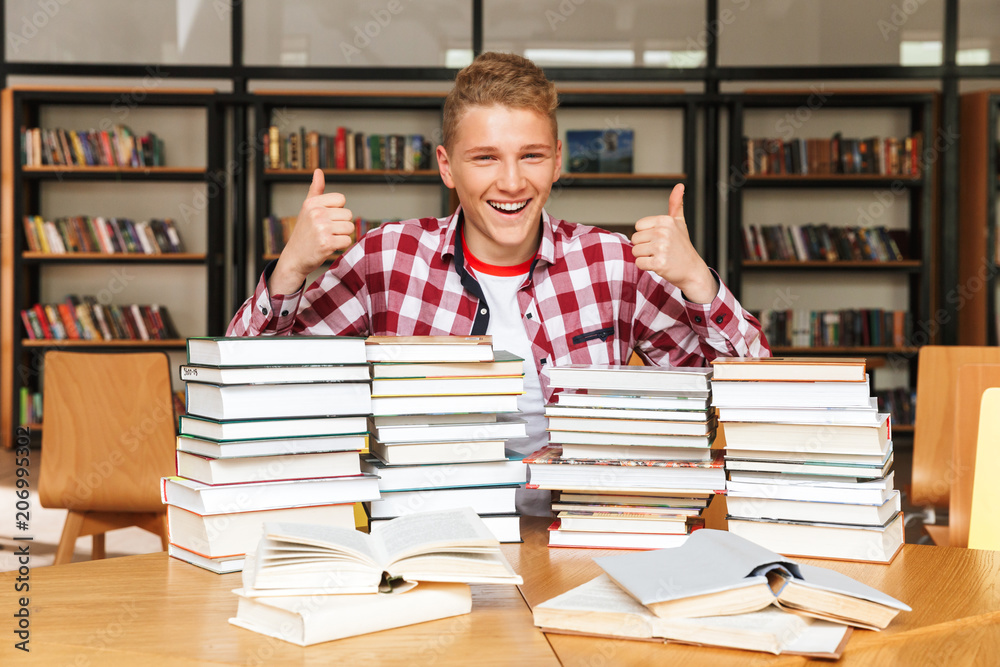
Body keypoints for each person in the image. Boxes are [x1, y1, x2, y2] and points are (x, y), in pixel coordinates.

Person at [229, 52, 770, 515]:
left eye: (531, 155)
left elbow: (751, 395)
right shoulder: (389, 258)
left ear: (557, 160)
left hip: (576, 536)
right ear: (447, 167)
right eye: (485, 157)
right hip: (429, 539)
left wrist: (698, 280)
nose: (511, 182)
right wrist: (290, 270)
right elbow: (248, 393)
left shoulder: (612, 263)